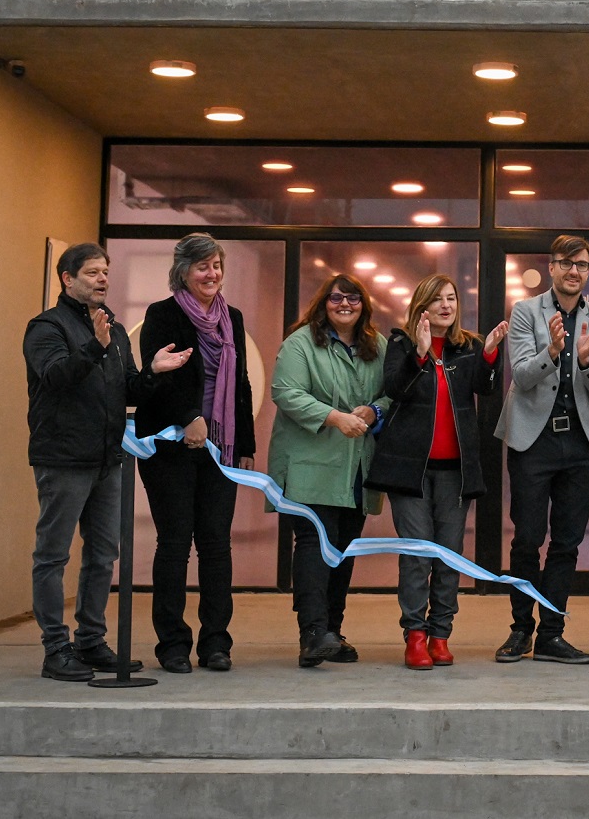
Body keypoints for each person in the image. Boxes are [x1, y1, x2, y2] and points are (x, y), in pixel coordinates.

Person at [23, 243, 188, 681]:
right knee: (53, 554)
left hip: (107, 458)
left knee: (103, 554)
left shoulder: (112, 330)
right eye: (93, 272)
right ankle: (55, 647)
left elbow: (127, 391)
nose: (102, 280)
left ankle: (90, 640)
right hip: (63, 458)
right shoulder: (46, 328)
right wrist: (92, 348)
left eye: (105, 272)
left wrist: (153, 371)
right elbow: (57, 378)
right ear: (67, 278)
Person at [368, 274, 508, 671]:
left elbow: (487, 389)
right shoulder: (401, 342)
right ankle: (415, 636)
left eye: (451, 298)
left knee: (448, 556)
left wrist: (492, 355)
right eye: (437, 300)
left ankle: (441, 634)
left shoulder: (469, 346)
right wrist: (421, 353)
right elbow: (395, 389)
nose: (446, 305)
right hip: (409, 471)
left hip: (455, 472)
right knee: (417, 554)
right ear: (422, 306)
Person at [135, 233, 256, 674]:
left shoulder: (232, 318)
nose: (212, 274)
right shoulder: (161, 314)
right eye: (203, 267)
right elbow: (157, 372)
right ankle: (171, 645)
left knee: (216, 546)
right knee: (173, 545)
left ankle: (215, 644)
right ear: (183, 271)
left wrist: (242, 444)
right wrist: (189, 418)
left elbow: (239, 384)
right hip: (169, 446)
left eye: (218, 266)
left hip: (219, 448)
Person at [496, 234, 589, 664]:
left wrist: (583, 360)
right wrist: (554, 351)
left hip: (578, 444)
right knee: (527, 539)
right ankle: (520, 630)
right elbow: (524, 376)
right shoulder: (526, 312)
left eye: (581, 265)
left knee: (567, 543)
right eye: (566, 263)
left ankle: (551, 634)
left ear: (588, 271)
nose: (573, 271)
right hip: (533, 440)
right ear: (551, 267)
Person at [269, 272, 390, 668]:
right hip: (309, 467)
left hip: (356, 470)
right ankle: (312, 632)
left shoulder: (378, 346)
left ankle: (331, 632)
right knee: (314, 547)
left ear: (364, 306)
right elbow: (286, 393)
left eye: (353, 299)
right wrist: (335, 417)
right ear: (323, 303)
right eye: (337, 298)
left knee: (342, 551)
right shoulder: (300, 343)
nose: (345, 305)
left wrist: (375, 410)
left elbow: (395, 392)